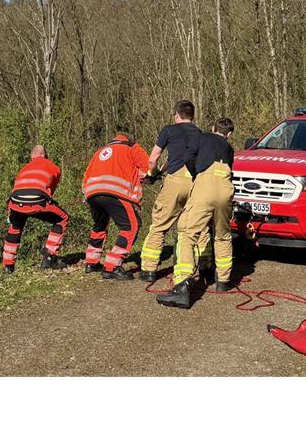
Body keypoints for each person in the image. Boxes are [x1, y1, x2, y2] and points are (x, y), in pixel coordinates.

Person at [157, 118, 237, 308]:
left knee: (187, 233)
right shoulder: (229, 148)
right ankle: (223, 281)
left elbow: (187, 158)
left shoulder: (201, 137)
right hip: (226, 187)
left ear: (212, 128)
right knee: (222, 234)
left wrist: (196, 175)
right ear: (229, 134)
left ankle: (182, 286)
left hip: (205, 184)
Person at [138, 100, 202, 282]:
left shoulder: (168, 130)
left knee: (159, 225)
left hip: (174, 182)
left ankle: (148, 270)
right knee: (190, 228)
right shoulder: (198, 133)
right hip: (193, 182)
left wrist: (152, 173)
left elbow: (154, 157)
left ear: (176, 115)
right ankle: (195, 267)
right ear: (192, 115)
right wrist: (164, 169)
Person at [82, 128, 151, 280]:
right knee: (131, 226)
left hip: (92, 193)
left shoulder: (99, 152)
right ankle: (112, 266)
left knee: (99, 226)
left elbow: (86, 175)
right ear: (128, 138)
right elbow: (148, 168)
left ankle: (91, 262)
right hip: (116, 193)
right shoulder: (131, 147)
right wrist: (152, 176)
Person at [2, 145, 67, 274]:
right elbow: (50, 192)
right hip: (38, 200)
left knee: (15, 227)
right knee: (62, 218)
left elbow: (17, 187)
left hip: (15, 201)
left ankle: (7, 267)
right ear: (45, 156)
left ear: (32, 157)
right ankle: (49, 258)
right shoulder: (53, 167)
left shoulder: (23, 168)